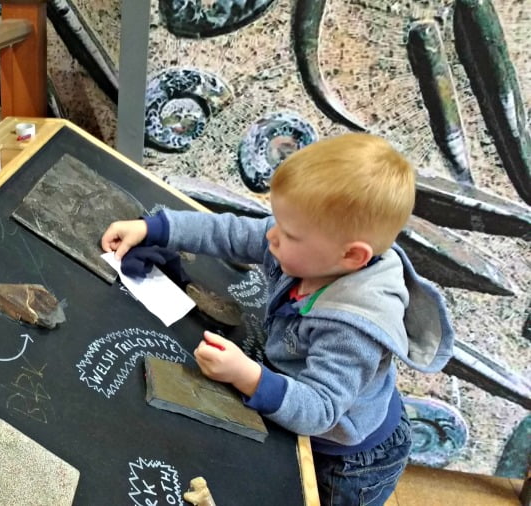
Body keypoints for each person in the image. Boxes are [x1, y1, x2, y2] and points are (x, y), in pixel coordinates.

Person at [100, 133, 454, 506]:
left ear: (351, 256)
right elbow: (235, 233)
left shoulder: (352, 328)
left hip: (349, 460)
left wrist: (247, 375)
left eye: (288, 233)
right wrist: (155, 227)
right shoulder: (308, 248)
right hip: (311, 407)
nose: (271, 236)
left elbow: (320, 410)